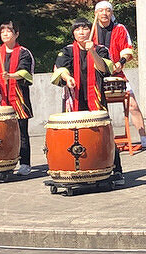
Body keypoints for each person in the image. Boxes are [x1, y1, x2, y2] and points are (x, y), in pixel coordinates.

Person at [51, 18, 124, 187]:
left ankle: (116, 169)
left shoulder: (101, 49)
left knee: (103, 134)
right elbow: (60, 69)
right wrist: (68, 78)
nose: (81, 32)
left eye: (84, 29)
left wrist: (92, 52)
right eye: (77, 30)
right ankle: (78, 169)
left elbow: (104, 69)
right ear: (73, 33)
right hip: (74, 98)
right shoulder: (67, 50)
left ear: (91, 31)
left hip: (96, 97)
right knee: (73, 135)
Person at [92, 1, 146, 149]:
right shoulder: (90, 31)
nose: (104, 13)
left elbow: (127, 49)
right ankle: (98, 143)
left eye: (108, 10)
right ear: (96, 13)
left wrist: (120, 62)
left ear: (112, 13)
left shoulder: (119, 29)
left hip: (116, 73)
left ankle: (144, 138)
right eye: (101, 10)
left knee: (132, 105)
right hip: (94, 75)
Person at [0, 21, 35, 176]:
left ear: (16, 34)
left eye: (9, 31)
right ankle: (4, 161)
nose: (5, 34)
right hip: (0, 98)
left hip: (19, 98)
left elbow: (26, 73)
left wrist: (11, 76)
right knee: (0, 132)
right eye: (2, 31)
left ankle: (25, 163)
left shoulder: (24, 52)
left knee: (21, 131)